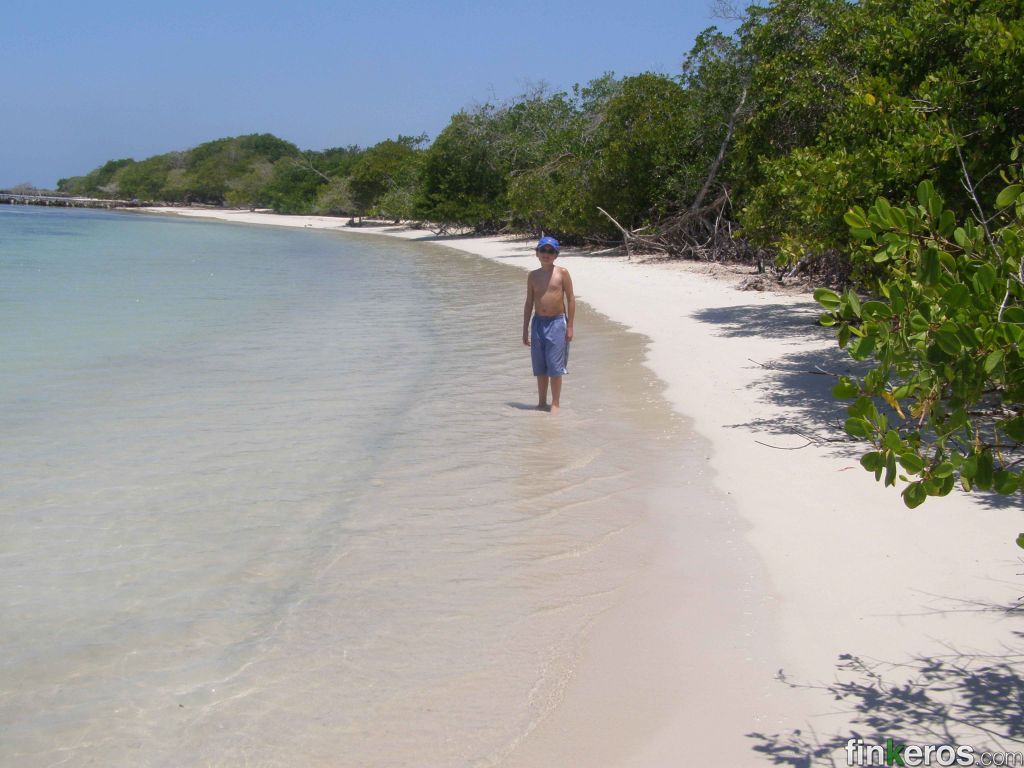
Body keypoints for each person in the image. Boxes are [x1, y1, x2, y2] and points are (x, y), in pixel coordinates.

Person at [522, 236, 575, 413]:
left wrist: (570, 326)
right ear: (537, 253)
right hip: (537, 323)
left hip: (557, 323)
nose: (546, 254)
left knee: (555, 366)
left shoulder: (562, 273)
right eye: (543, 250)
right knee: (540, 367)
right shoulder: (532, 276)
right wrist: (524, 329)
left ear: (556, 255)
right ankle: (541, 402)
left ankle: (556, 403)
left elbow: (571, 299)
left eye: (550, 251)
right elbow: (529, 303)